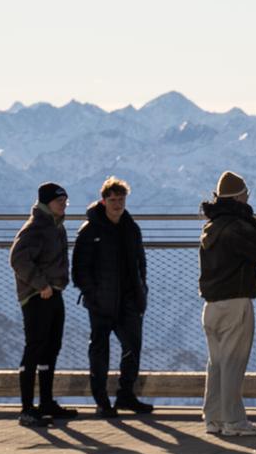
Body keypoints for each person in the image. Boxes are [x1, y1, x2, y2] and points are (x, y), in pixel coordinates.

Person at [199, 170, 256, 437]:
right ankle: (234, 421)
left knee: (216, 362)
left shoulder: (211, 226)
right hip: (236, 302)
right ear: (240, 197)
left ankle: (213, 418)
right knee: (233, 362)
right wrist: (253, 223)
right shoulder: (237, 227)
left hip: (211, 305)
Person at [72, 176, 153, 417]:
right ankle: (102, 401)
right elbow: (79, 269)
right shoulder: (90, 230)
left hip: (129, 301)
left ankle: (126, 395)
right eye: (113, 199)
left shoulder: (131, 228)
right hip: (101, 302)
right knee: (100, 351)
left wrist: (141, 291)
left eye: (121, 199)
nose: (117, 204)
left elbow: (141, 263)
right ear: (103, 200)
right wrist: (92, 294)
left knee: (132, 348)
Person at [10, 182, 77, 426]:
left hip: (53, 293)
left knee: (51, 348)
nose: (63, 205)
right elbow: (18, 258)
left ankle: (46, 402)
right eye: (60, 202)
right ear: (47, 203)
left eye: (65, 202)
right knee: (35, 348)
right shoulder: (36, 227)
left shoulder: (56, 226)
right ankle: (27, 409)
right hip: (38, 296)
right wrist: (41, 285)